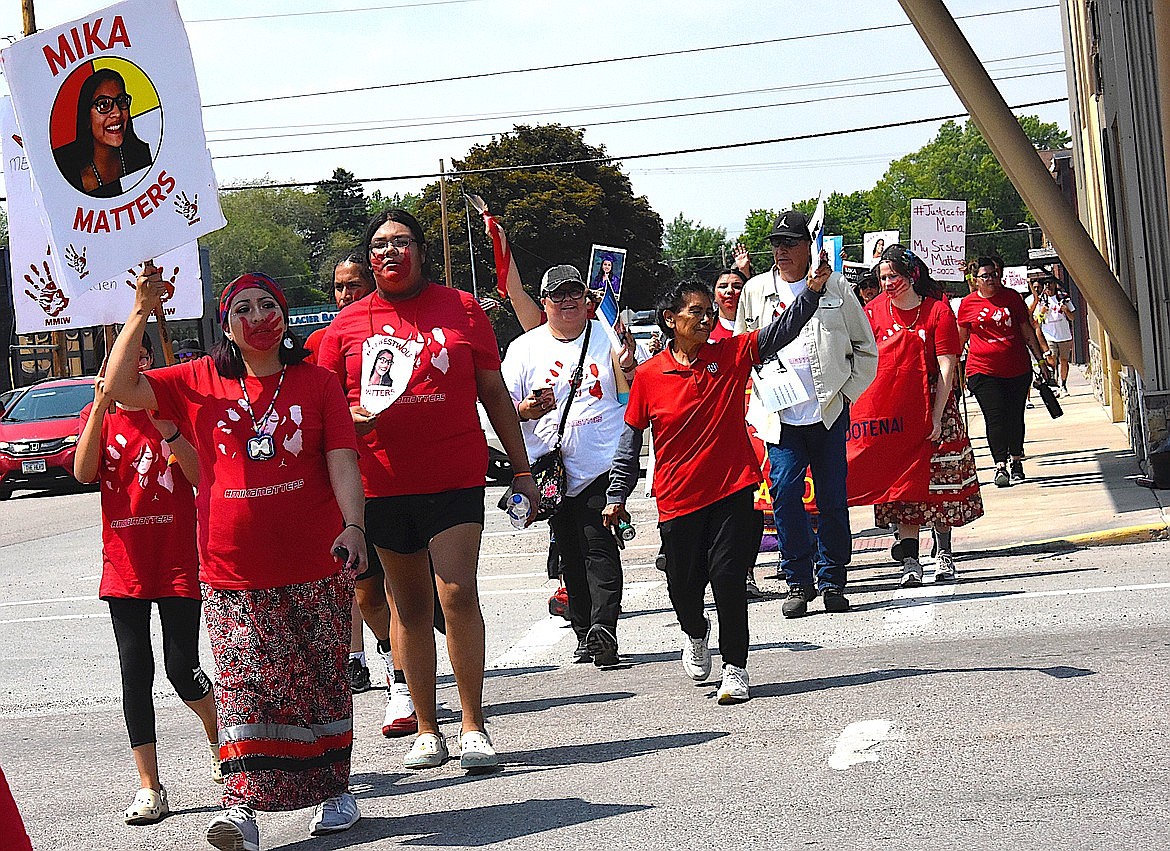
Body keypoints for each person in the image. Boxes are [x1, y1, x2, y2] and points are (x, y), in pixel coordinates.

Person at [104, 269, 368, 849]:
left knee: (317, 684)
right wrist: (142, 309)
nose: (256, 317)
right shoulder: (198, 379)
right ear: (226, 324)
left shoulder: (317, 383)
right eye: (242, 308)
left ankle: (334, 790)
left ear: (285, 314)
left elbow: (343, 458)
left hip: (317, 564)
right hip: (231, 571)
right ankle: (240, 807)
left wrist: (354, 526)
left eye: (266, 304)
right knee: (244, 688)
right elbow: (120, 387)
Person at [318, 209, 538, 775]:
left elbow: (492, 391)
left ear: (421, 251)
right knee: (408, 606)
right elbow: (323, 413)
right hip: (383, 484)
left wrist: (521, 469)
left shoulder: (463, 309)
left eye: (401, 242)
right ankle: (425, 727)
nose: (389, 253)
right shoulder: (344, 329)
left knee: (457, 592)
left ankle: (473, 725)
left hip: (454, 476)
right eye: (379, 245)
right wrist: (351, 417)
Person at [604, 270, 825, 704]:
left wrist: (813, 291)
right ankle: (695, 632)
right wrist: (616, 496)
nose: (706, 320)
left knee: (728, 577)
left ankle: (736, 668)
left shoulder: (731, 353)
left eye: (710, 313)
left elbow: (785, 328)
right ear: (670, 319)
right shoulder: (649, 376)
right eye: (696, 312)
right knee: (684, 586)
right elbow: (629, 445)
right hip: (677, 499)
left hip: (733, 490)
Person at [73, 333, 220, 825]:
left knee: (182, 668)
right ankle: (150, 786)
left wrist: (172, 433)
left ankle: (222, 740)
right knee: (135, 673)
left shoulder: (171, 407)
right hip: (125, 566)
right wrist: (96, 409)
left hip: (177, 560)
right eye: (119, 362)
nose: (128, 369)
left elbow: (203, 478)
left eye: (137, 358)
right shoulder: (103, 415)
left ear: (149, 362)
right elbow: (83, 471)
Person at [735, 210, 878, 618]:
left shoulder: (835, 286)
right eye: (776, 244)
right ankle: (797, 579)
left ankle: (833, 578)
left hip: (827, 412)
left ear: (808, 246)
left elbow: (865, 350)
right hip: (778, 415)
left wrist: (846, 395)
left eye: (790, 243)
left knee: (833, 497)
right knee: (783, 493)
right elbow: (745, 347)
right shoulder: (756, 290)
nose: (781, 251)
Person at [502, 265, 638, 666]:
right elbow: (500, 408)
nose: (566, 301)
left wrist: (629, 365)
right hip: (553, 469)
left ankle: (604, 630)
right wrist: (525, 409)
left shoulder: (608, 337)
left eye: (574, 293)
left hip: (603, 462)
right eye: (557, 295)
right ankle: (583, 630)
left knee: (599, 544)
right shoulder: (525, 349)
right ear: (543, 302)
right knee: (569, 551)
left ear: (587, 298)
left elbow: (632, 391)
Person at [306, 252, 412, 733]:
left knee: (406, 589)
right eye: (338, 287)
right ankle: (392, 662)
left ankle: (402, 683)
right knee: (367, 593)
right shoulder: (321, 341)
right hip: (351, 488)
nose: (345, 295)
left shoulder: (392, 332)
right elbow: (314, 410)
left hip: (401, 479)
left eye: (354, 286)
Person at [866, 246, 984, 586]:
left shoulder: (937, 312)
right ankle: (911, 561)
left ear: (912, 276)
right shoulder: (872, 312)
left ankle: (944, 553)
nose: (888, 283)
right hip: (895, 409)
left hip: (935, 404)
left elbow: (948, 364)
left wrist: (935, 415)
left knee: (939, 483)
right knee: (905, 486)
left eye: (895, 277)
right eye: (884, 277)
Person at [957, 255, 1052, 487]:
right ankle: (1000, 464)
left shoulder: (1011, 298)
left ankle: (1016, 458)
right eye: (985, 276)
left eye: (993, 274)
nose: (990, 279)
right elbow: (959, 339)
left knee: (1014, 416)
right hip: (982, 370)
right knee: (995, 417)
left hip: (1017, 368)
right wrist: (951, 371)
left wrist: (1040, 360)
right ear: (976, 279)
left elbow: (1026, 330)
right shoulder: (968, 304)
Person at [53, 68, 152, 198]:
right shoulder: (63, 170)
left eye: (121, 101)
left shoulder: (141, 155)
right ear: (86, 118)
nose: (117, 113)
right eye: (103, 104)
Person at [1034, 278, 1076, 396]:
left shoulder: (1063, 298)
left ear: (1054, 284)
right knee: (1051, 360)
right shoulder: (1041, 301)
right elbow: (1037, 321)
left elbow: (1072, 317)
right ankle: (1054, 385)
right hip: (1049, 335)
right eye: (1045, 284)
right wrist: (1042, 312)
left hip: (1064, 335)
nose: (1048, 286)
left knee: (1063, 360)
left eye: (1050, 283)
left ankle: (1063, 384)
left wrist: (1066, 310)